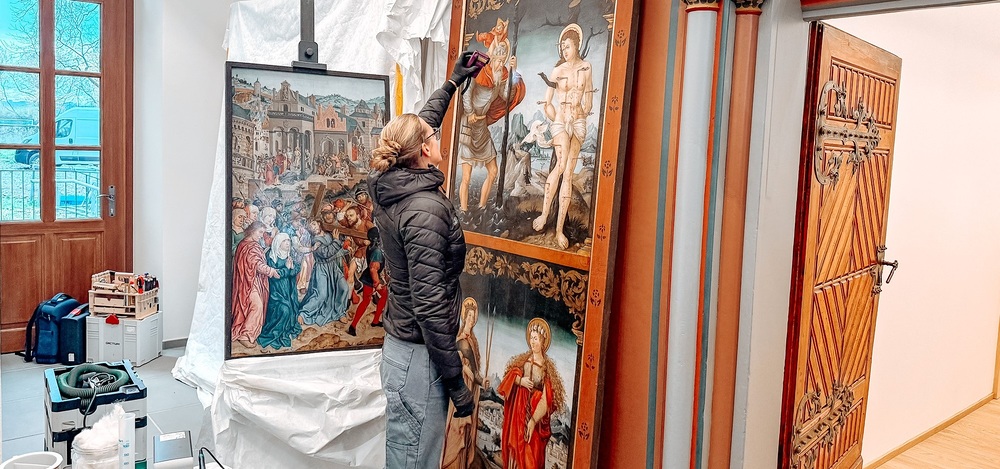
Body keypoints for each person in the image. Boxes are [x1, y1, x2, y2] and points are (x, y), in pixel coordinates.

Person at [368, 51, 484, 468]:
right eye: (432, 136)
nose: (439, 136)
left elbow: (421, 122)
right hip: (420, 360)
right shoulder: (424, 211)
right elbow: (430, 305)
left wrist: (453, 83)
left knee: (406, 455)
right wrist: (456, 383)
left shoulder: (389, 180)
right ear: (423, 151)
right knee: (414, 460)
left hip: (403, 351)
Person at [532, 23, 594, 249]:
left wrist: (581, 111)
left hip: (577, 122)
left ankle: (559, 231)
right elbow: (548, 103)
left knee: (568, 173)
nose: (565, 51)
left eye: (567, 46)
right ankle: (544, 215)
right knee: (560, 167)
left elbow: (589, 100)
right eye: (562, 48)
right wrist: (556, 117)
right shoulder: (557, 72)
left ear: (576, 44)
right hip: (560, 122)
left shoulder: (586, 68)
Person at [457, 18, 526, 211]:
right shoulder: (481, 69)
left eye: (504, 53)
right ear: (493, 52)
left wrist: (514, 74)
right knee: (467, 176)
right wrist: (470, 112)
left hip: (482, 127)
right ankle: (463, 211)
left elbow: (505, 96)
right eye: (498, 52)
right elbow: (467, 91)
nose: (501, 56)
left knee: (493, 171)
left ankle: (481, 208)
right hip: (469, 125)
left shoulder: (503, 74)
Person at [497, 318, 567, 469]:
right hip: (518, 417)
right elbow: (510, 378)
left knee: (531, 459)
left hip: (534, 421)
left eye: (536, 338)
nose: (532, 341)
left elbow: (546, 399)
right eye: (531, 337)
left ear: (543, 342)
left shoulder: (545, 370)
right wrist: (520, 381)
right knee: (516, 453)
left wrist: (533, 420)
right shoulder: (524, 362)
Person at [441, 298, 485, 469]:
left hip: (469, 387)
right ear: (464, 317)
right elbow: (467, 369)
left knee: (465, 433)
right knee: (457, 430)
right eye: (469, 316)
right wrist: (479, 379)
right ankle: (453, 464)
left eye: (474, 317)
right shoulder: (462, 340)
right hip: (462, 388)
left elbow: (473, 368)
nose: (471, 320)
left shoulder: (472, 340)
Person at [231, 221, 280, 349]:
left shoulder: (245, 243)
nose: (261, 235)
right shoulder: (250, 246)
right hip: (249, 282)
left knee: (251, 307)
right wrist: (271, 271)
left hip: (249, 280)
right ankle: (245, 335)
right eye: (260, 232)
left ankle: (247, 332)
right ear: (252, 230)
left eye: (263, 233)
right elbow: (256, 264)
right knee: (256, 306)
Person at [298, 219, 351, 326]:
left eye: (313, 224)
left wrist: (342, 241)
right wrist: (336, 241)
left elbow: (336, 249)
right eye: (310, 227)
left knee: (344, 288)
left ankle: (340, 312)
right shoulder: (316, 241)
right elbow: (326, 253)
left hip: (333, 267)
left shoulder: (328, 235)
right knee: (321, 294)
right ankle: (304, 313)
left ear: (318, 223)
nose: (312, 227)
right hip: (321, 269)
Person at [256, 233, 302, 351]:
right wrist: (287, 269)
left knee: (291, 310)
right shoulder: (271, 257)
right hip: (275, 293)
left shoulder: (289, 255)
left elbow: (296, 269)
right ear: (278, 242)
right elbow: (276, 275)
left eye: (288, 241)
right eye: (284, 241)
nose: (288, 243)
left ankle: (285, 330)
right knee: (284, 310)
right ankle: (274, 333)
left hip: (288, 291)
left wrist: (289, 270)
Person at [347, 227, 386, 337]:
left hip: (369, 277)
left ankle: (373, 321)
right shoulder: (377, 251)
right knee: (370, 300)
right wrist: (377, 284)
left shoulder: (371, 247)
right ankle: (354, 326)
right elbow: (373, 269)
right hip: (371, 278)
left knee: (369, 300)